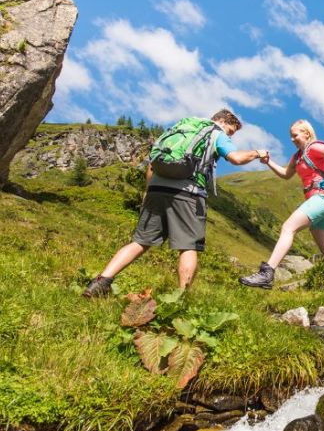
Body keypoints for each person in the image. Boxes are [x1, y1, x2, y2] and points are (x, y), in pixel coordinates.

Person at [84, 109, 268, 297]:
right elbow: (236, 158)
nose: (230, 135)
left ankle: (100, 282)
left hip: (156, 188)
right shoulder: (215, 133)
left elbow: (151, 164)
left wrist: (148, 191)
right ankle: (180, 298)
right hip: (187, 192)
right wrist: (257, 153)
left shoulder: (179, 128)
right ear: (221, 121)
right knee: (188, 247)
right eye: (231, 131)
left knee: (139, 242)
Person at [239, 119, 324, 307]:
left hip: (322, 198)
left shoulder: (315, 147)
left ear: (307, 133)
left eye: (295, 135)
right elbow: (286, 175)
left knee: (288, 227)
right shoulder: (298, 157)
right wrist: (268, 162)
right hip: (318, 201)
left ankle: (267, 272)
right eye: (291, 135)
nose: (292, 139)